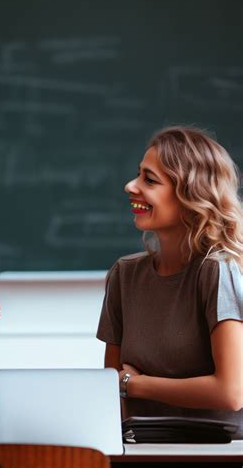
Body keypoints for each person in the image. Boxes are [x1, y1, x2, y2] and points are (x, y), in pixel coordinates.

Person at [97, 126, 243, 438]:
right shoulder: (125, 274)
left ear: (191, 195)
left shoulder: (217, 271)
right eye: (138, 175)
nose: (130, 186)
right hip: (138, 448)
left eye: (149, 180)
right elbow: (108, 391)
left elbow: (231, 393)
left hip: (217, 453)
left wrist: (134, 384)